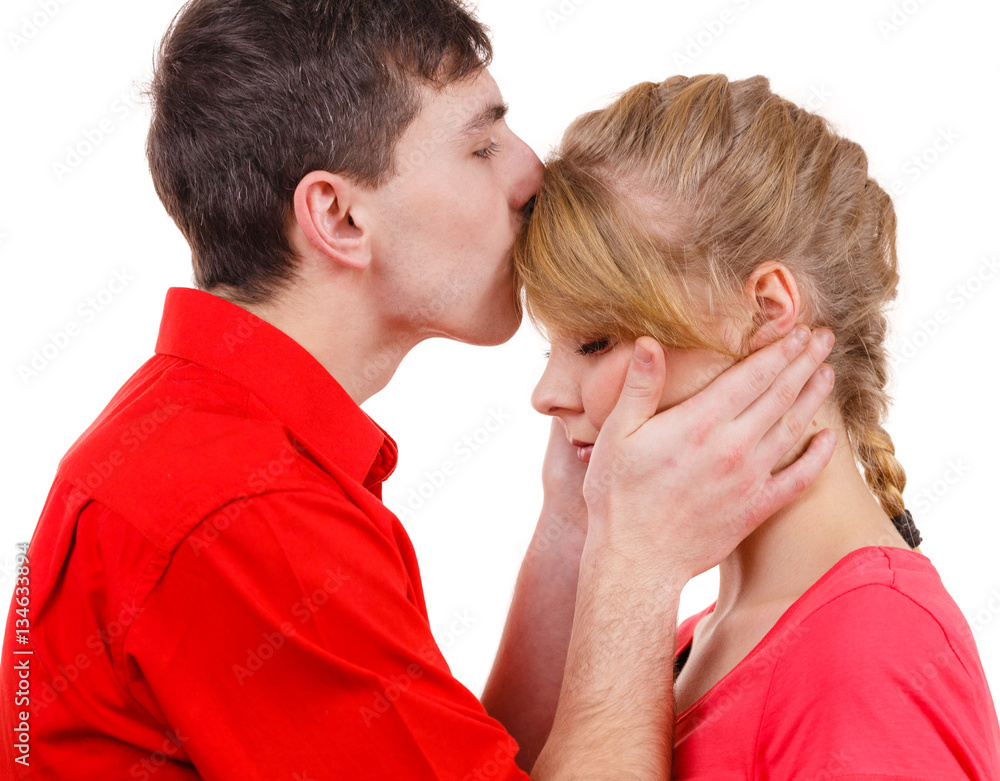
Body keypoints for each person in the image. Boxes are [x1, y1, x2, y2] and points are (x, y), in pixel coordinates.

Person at [0, 3, 837, 779]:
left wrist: (578, 528)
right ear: (339, 218)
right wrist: (640, 568)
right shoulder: (241, 516)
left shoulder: (215, 450)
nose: (531, 171)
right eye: (481, 146)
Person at [516, 72, 1000, 778]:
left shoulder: (870, 658)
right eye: (551, 348)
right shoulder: (690, 642)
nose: (547, 395)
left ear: (767, 311)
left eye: (595, 341)